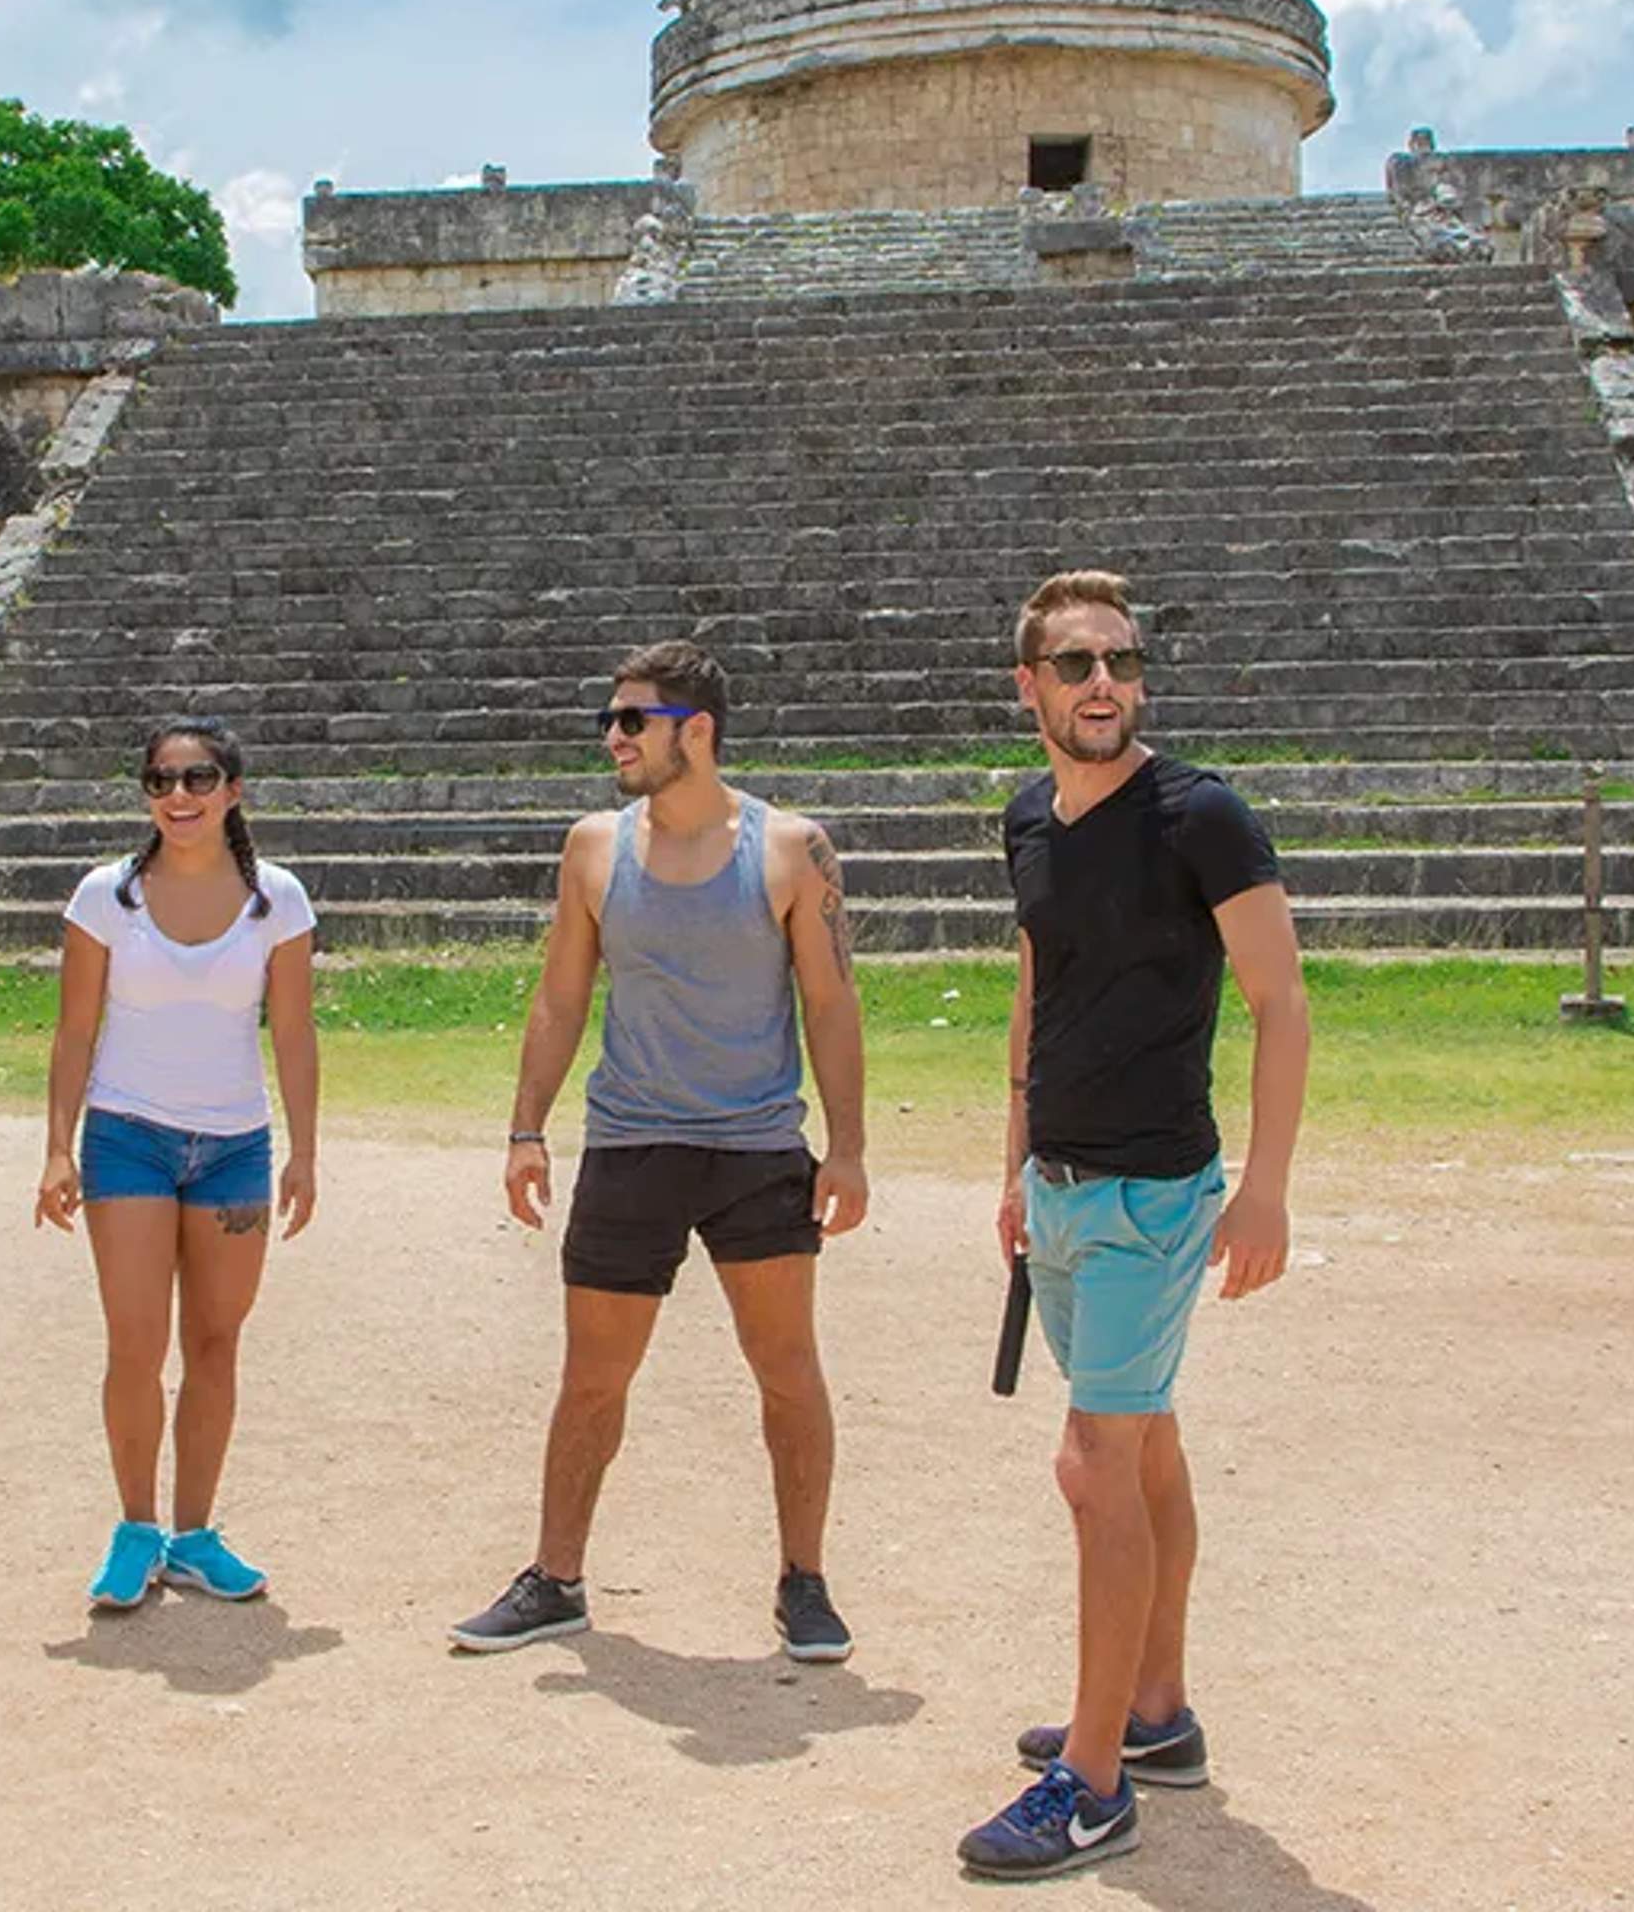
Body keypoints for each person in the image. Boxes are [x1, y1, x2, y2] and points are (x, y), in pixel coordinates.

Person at [957, 569, 1309, 1883]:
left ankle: (1095, 1782)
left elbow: (1281, 1002)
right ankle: (1156, 1716)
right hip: (1058, 1184)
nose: (1101, 680)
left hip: (1156, 1192)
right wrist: (1013, 1163)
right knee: (1144, 1444)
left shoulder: (1200, 814)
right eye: (1073, 663)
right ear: (1029, 687)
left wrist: (1265, 1188)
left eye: (1120, 659)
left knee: (1094, 1466)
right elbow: (1038, 980)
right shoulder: (1028, 817)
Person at [452, 639, 871, 1663]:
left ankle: (804, 1581)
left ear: (698, 730)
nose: (613, 737)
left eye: (632, 719)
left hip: (756, 1146)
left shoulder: (791, 849)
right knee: (592, 1376)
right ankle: (555, 1578)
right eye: (612, 718)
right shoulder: (594, 846)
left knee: (786, 1368)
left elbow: (831, 999)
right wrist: (525, 1128)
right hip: (632, 1142)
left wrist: (849, 1147)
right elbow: (561, 994)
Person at [36, 717, 322, 1610]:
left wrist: (305, 1149)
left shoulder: (278, 899)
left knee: (214, 1342)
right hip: (128, 1135)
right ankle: (134, 1528)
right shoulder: (105, 897)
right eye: (161, 780)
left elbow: (295, 1033)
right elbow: (75, 1028)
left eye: (200, 779)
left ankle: (195, 1534)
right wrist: (55, 1145)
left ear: (233, 791)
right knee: (135, 1344)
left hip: (234, 1143)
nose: (180, 797)